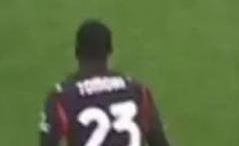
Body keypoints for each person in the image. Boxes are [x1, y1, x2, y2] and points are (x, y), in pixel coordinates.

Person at [40, 20, 171, 146]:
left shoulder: (62, 96)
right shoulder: (138, 91)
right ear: (110, 50)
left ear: (76, 51)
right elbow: (159, 141)